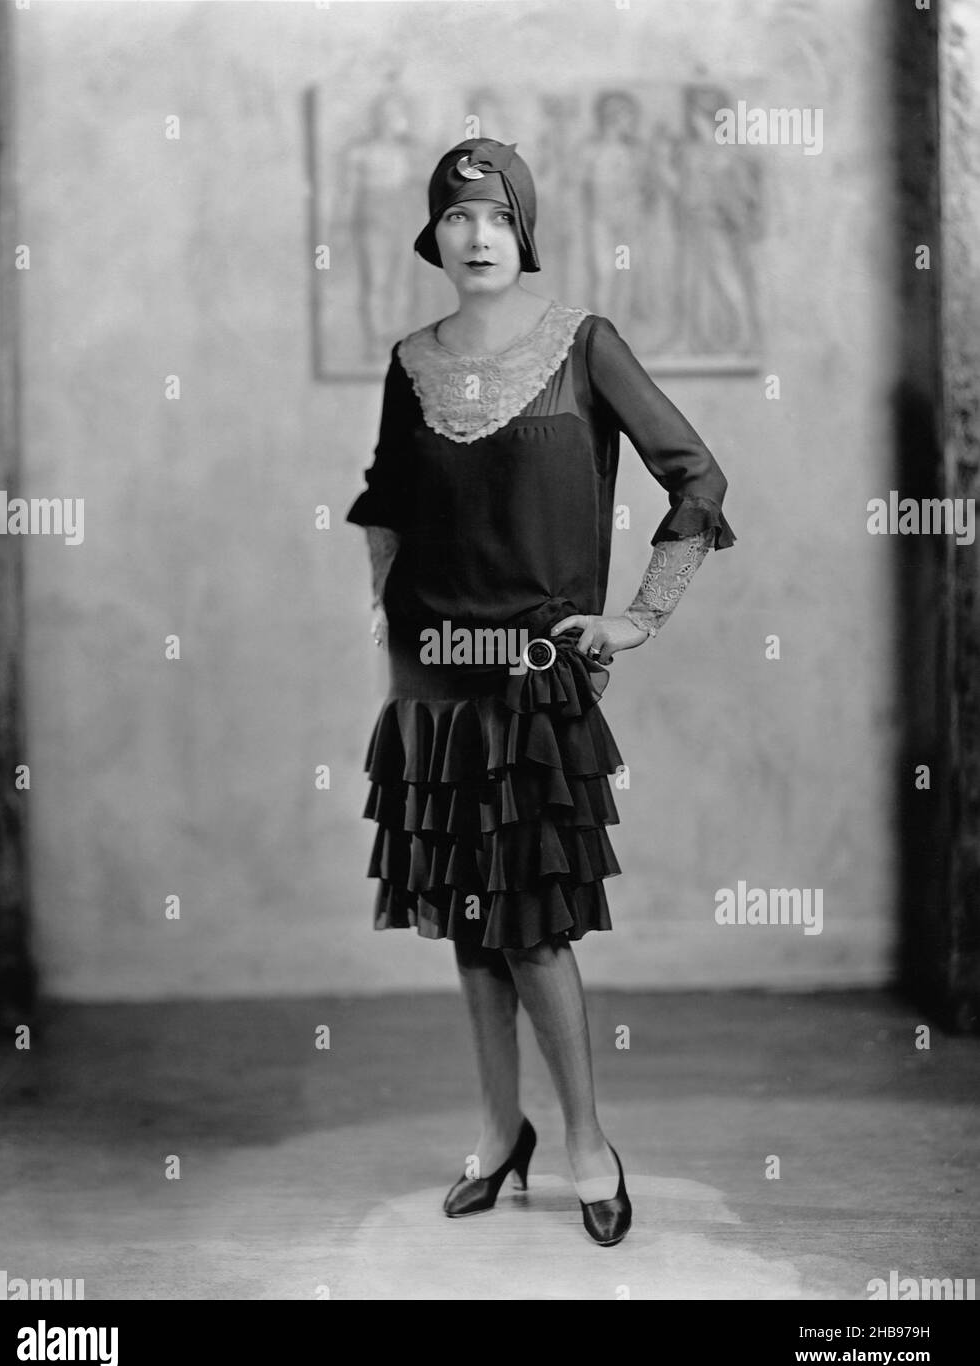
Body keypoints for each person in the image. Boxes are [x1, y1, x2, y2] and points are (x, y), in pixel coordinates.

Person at [345, 137, 735, 1247]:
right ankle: (495, 1127)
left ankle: (584, 1143)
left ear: (522, 229)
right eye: (457, 217)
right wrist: (386, 602)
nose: (476, 237)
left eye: (495, 218)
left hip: (530, 672)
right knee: (467, 924)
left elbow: (694, 474)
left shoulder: (582, 345)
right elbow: (384, 496)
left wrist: (638, 617)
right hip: (431, 675)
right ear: (436, 233)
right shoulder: (408, 357)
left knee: (530, 927)